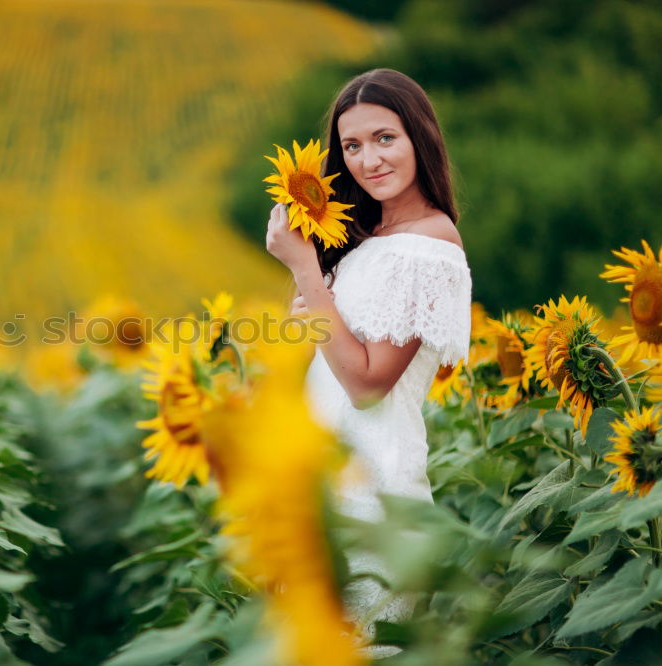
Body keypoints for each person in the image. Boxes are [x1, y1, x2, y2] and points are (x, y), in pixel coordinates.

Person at [265, 68, 472, 658]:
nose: (367, 159)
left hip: (372, 497)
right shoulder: (369, 240)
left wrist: (304, 267)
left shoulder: (430, 246)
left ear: (420, 138)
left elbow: (367, 385)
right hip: (325, 490)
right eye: (351, 145)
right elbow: (320, 356)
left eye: (385, 138)